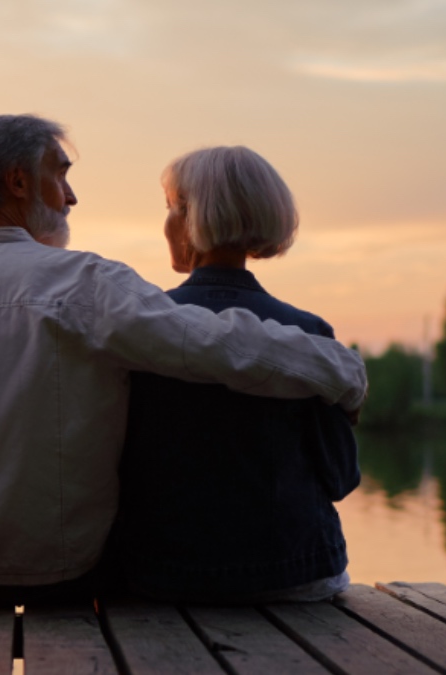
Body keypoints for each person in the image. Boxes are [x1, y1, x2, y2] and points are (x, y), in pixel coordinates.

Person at [0, 115, 367, 606]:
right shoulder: (81, 282)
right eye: (60, 174)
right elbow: (214, 344)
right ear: (19, 181)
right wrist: (340, 372)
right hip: (55, 574)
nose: (71, 197)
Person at [115, 146, 360, 603]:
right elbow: (341, 478)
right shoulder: (308, 333)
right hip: (295, 575)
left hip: (162, 577)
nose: (166, 222)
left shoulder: (139, 328)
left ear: (190, 218)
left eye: (170, 207)